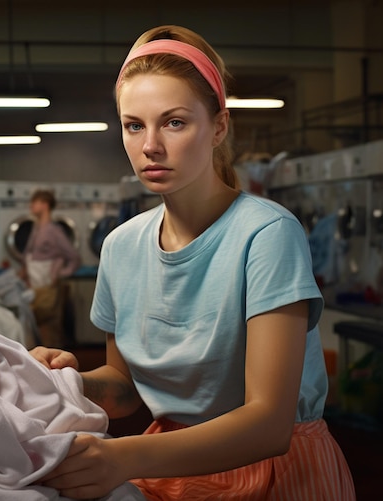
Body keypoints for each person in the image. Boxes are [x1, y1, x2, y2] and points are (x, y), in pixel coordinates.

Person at [29, 25, 356, 500]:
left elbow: (269, 425)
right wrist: (62, 382)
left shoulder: (266, 234)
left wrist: (122, 457)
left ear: (218, 127)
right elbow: (125, 386)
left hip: (277, 473)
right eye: (134, 125)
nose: (150, 146)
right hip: (174, 464)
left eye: (175, 122)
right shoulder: (121, 247)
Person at [21, 188, 81, 348]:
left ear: (45, 205)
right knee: (37, 331)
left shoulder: (54, 231)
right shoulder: (36, 229)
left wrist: (59, 273)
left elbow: (74, 258)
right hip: (35, 286)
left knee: (50, 332)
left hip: (48, 287)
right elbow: (29, 255)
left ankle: (55, 370)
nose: (31, 206)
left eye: (35, 202)